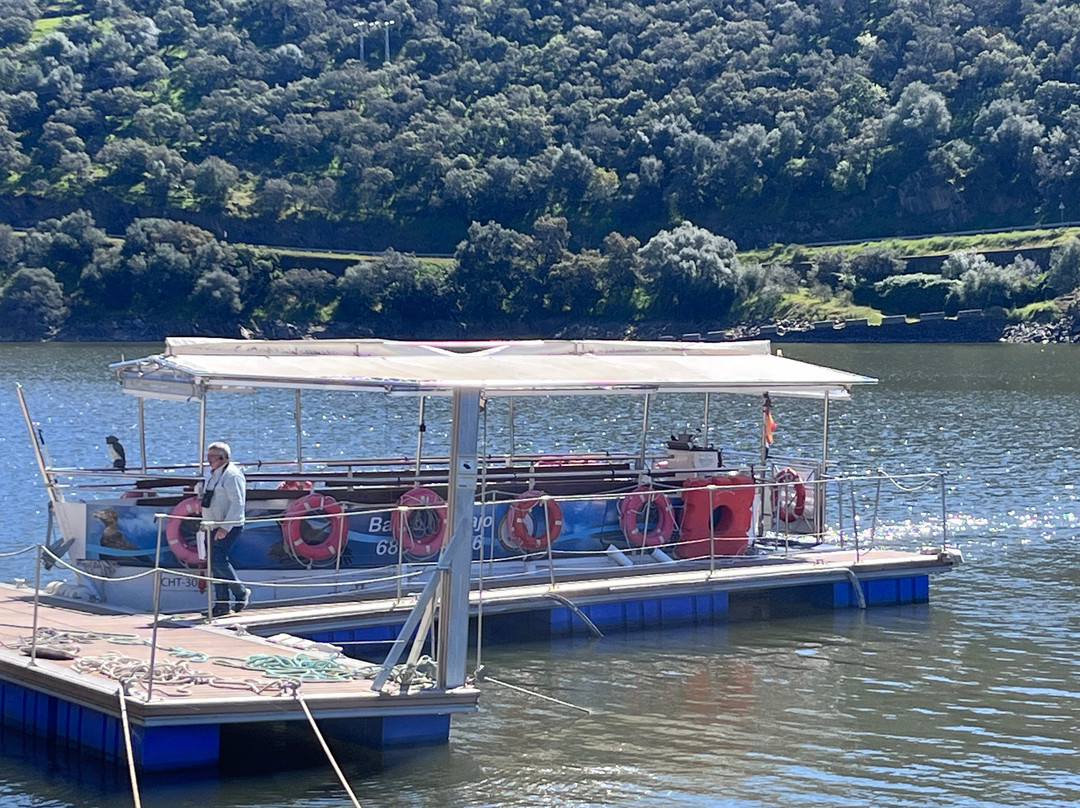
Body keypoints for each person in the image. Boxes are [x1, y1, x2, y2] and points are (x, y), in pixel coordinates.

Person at [202, 441, 251, 617]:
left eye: (212, 457)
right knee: (213, 564)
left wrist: (225, 527)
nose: (208, 460)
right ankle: (221, 605)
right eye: (208, 456)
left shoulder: (232, 475)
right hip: (211, 525)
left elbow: (238, 503)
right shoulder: (213, 475)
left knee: (218, 560)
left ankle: (241, 592)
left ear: (223, 458)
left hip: (229, 526)